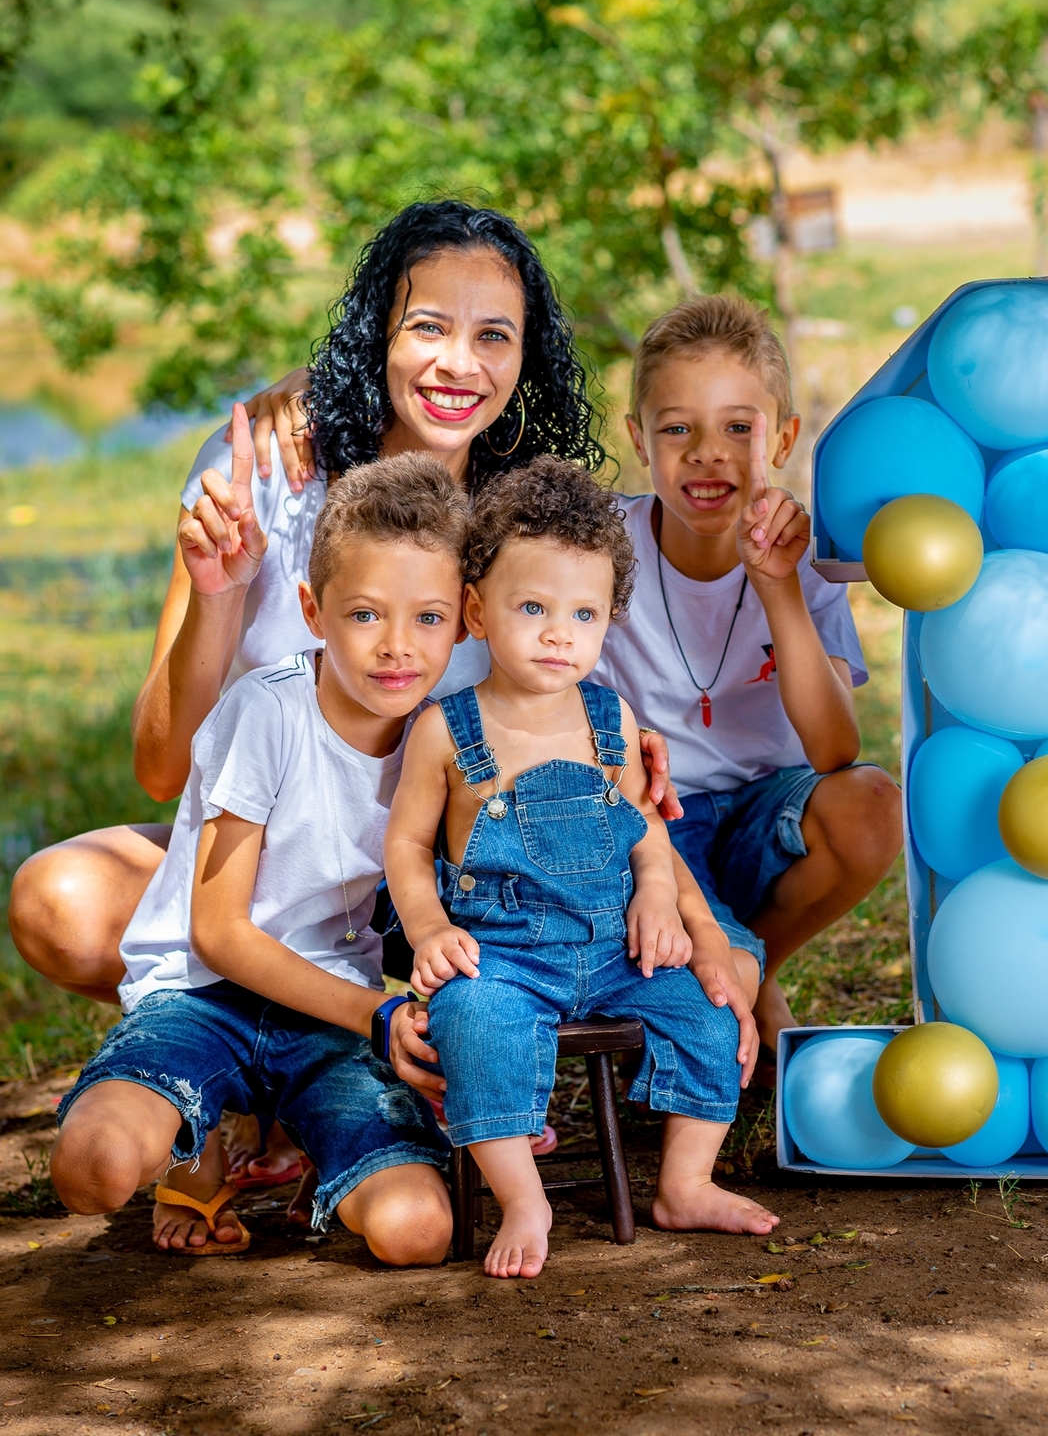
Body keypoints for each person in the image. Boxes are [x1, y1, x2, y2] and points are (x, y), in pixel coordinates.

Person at [10, 201, 680, 1182]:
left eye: (494, 335)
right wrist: (219, 597)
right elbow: (160, 767)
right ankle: (255, 1071)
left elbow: (572, 694)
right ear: (379, 332)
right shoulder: (268, 475)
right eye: (428, 327)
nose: (460, 364)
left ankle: (360, 1074)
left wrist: (620, 733)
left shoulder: (522, 524)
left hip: (445, 895)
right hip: (278, 874)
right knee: (60, 899)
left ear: (527, 355)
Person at [51, 454, 464, 1261]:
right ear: (313, 610)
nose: (397, 647)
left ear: (466, 621)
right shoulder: (267, 711)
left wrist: (627, 754)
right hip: (204, 998)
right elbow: (219, 933)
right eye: (365, 614)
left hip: (324, 1015)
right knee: (93, 1170)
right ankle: (193, 1140)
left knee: (417, 1231)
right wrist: (377, 1016)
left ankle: (313, 1148)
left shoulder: (442, 736)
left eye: (428, 618)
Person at [386, 457, 777, 1281]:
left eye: (584, 614)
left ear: (608, 622)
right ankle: (524, 1199)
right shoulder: (446, 731)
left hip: (612, 950)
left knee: (707, 1012)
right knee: (472, 1024)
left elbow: (642, 828)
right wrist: (427, 929)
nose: (559, 633)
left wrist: (659, 897)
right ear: (476, 611)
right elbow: (408, 848)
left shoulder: (611, 719)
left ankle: (685, 1183)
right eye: (532, 607)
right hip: (503, 957)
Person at [591, 294, 904, 1066]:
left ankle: (752, 963)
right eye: (677, 429)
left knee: (870, 806)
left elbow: (834, 750)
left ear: (784, 439)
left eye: (739, 427)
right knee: (718, 1052)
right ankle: (720, 973)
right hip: (649, 825)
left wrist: (778, 587)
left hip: (769, 817)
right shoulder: (597, 550)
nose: (708, 453)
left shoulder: (805, 558)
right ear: (638, 439)